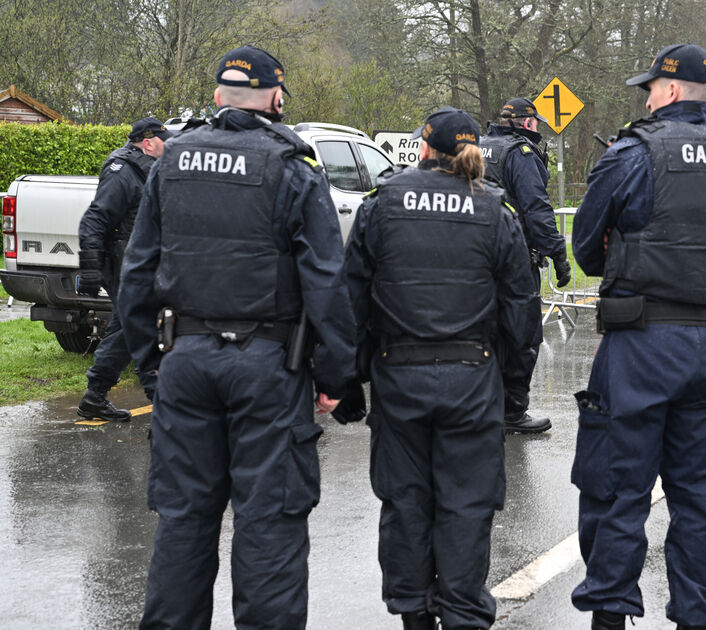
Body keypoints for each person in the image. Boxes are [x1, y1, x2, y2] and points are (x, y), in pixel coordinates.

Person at [118, 45, 357, 629]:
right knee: (269, 525)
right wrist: (335, 377)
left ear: (218, 96)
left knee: (183, 521)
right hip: (268, 367)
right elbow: (327, 283)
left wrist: (152, 366)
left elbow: (136, 274)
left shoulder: (171, 161)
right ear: (276, 98)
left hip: (185, 361)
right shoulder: (293, 167)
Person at [569, 43, 706, 630]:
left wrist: (623, 248)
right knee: (698, 496)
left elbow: (586, 249)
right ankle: (694, 617)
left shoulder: (633, 152)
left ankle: (610, 616)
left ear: (670, 90)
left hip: (641, 344)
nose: (647, 99)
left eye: (650, 89)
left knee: (617, 487)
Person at [343, 107, 537, 630]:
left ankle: (413, 614)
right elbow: (521, 308)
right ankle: (462, 614)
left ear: (424, 148)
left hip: (398, 374)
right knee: (467, 506)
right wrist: (513, 386)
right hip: (472, 378)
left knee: (405, 502)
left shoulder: (382, 203)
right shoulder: (495, 209)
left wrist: (346, 378)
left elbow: (351, 297)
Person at [480, 96, 570, 434]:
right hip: (514, 260)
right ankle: (512, 411)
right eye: (535, 123)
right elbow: (536, 209)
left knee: (482, 333)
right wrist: (558, 254)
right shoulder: (521, 153)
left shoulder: (477, 146)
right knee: (523, 334)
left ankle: (480, 405)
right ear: (525, 122)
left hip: (475, 259)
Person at [75, 117, 172, 422]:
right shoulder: (122, 172)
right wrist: (91, 269)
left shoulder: (146, 169)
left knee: (126, 327)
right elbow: (94, 220)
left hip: (136, 261)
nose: (169, 146)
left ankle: (95, 397)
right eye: (165, 141)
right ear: (148, 142)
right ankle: (160, 401)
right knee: (137, 325)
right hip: (121, 262)